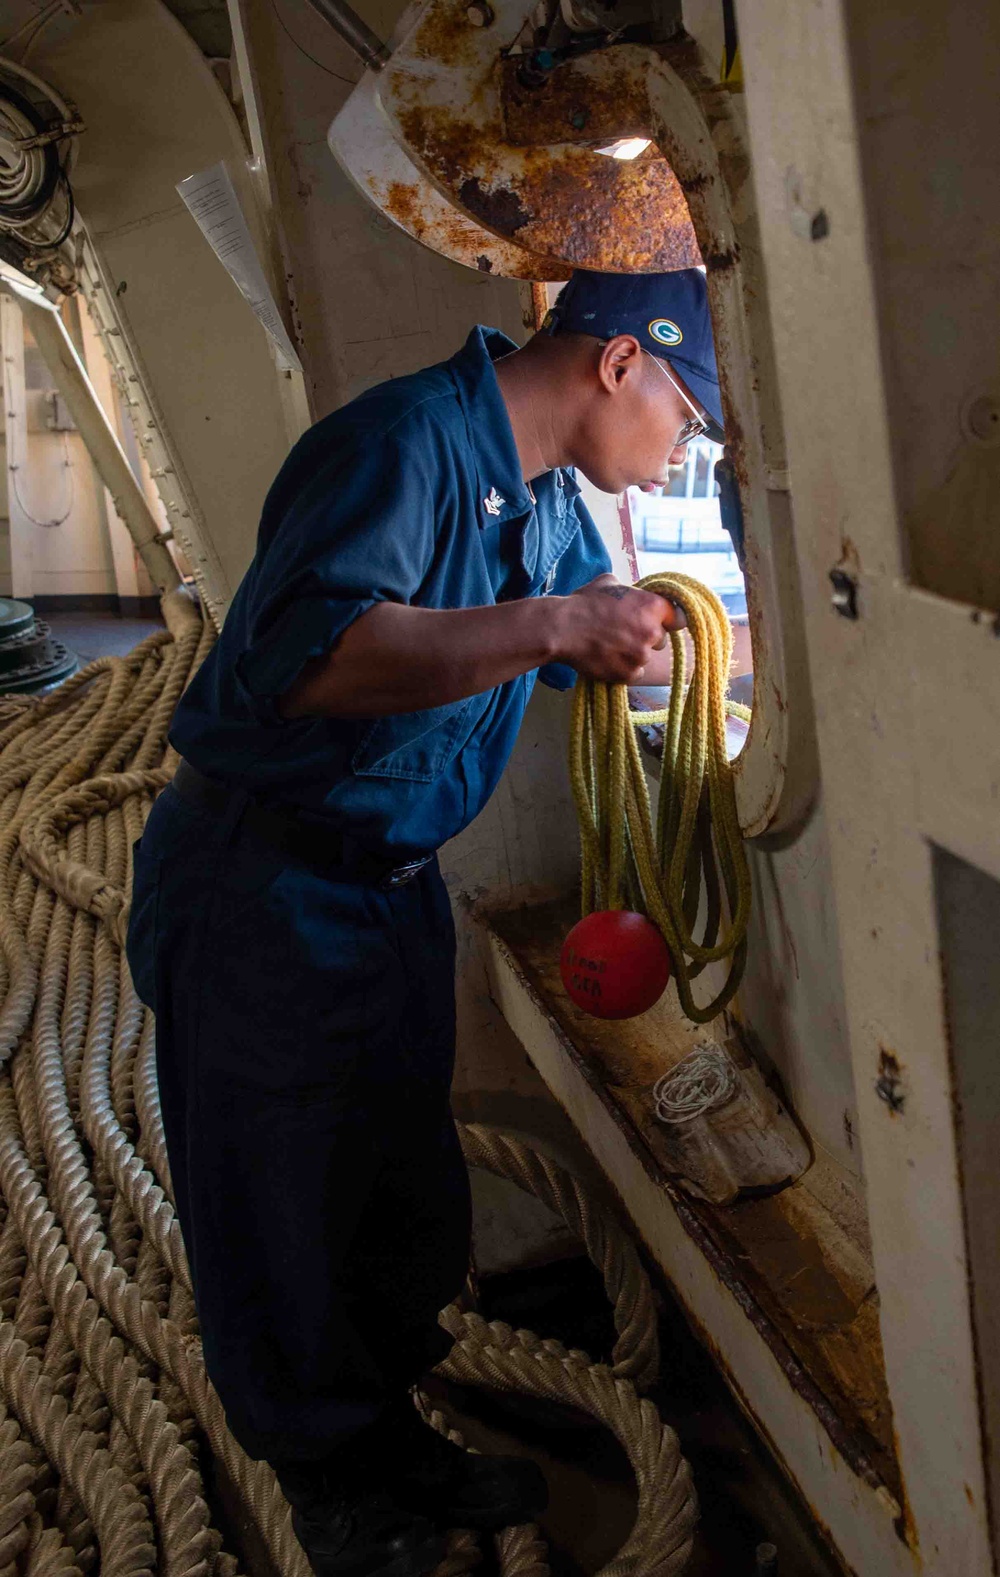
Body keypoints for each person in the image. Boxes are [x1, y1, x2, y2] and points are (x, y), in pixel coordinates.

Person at [126, 268, 724, 1577]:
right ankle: (333, 1488)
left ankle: (387, 1435)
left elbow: (586, 637)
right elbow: (309, 661)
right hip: (264, 887)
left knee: (394, 1201)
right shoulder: (402, 444)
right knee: (276, 1204)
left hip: (386, 890)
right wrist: (560, 617)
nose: (683, 448)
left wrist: (692, 646)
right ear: (618, 365)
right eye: (686, 416)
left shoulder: (546, 495)